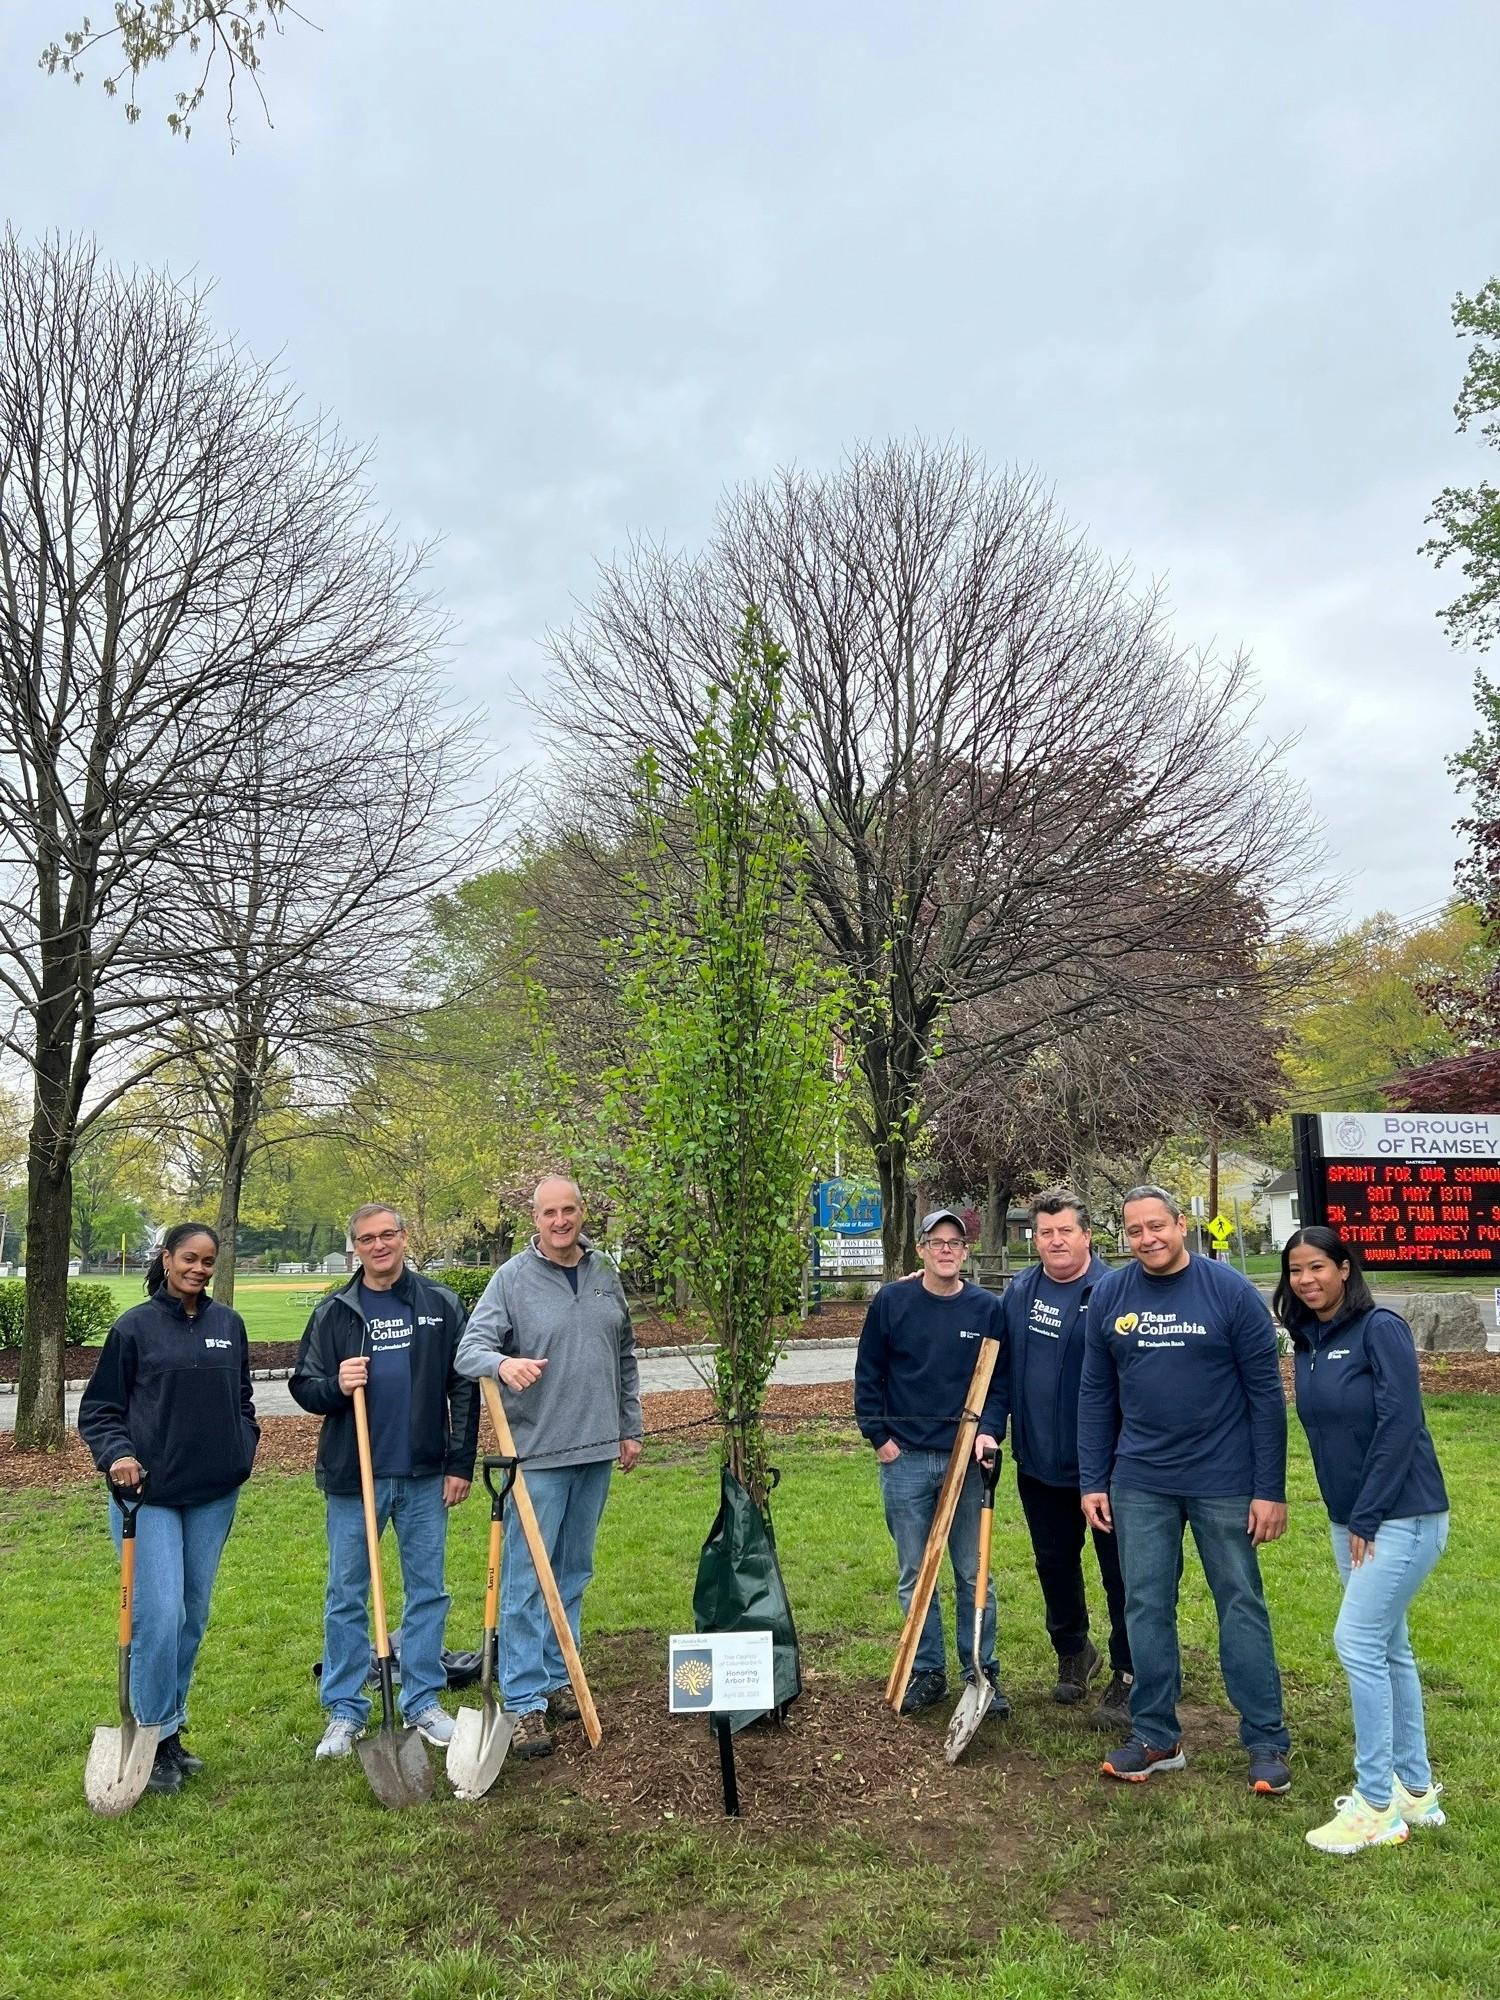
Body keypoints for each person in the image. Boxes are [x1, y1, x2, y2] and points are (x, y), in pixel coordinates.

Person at [1077, 1185, 1292, 1793]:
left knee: (1240, 1603)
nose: (1147, 1239)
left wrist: (1268, 1488)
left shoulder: (1230, 1293)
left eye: (1157, 1226)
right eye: (1135, 1230)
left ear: (1180, 1225)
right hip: (1140, 1480)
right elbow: (1096, 1394)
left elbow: (1266, 1398)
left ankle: (1265, 1739)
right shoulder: (1111, 1295)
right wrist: (1094, 1478)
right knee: (1144, 1604)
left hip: (1224, 1480)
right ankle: (1155, 1735)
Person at [1275, 1225, 1450, 1854]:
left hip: (1401, 1516)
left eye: (1318, 1267)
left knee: (1357, 1642)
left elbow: (1401, 1422)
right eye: (1296, 1270)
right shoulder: (1308, 1342)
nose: (1307, 1280)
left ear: (1345, 1268)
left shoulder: (1380, 1328)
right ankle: (1415, 1789)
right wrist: (1349, 1519)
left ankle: (1376, 1804)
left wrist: (1368, 1517)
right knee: (1390, 1647)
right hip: (1352, 1521)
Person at [455, 1175, 642, 1760]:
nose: (561, 1221)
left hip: (596, 1450)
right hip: (537, 1455)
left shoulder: (606, 1272)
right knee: (526, 1581)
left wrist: (629, 1425)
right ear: (533, 1219)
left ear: (583, 1212)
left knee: (573, 1572)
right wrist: (503, 1363)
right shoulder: (511, 1280)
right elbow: (468, 1352)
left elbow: (625, 1355)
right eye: (549, 1213)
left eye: (569, 1210)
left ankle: (563, 1676)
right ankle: (525, 1698)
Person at [290, 1203, 478, 1762]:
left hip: (423, 1475)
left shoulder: (440, 1305)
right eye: (367, 1239)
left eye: (388, 1235)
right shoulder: (334, 1311)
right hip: (355, 1477)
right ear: (356, 1248)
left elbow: (463, 1388)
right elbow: (304, 1384)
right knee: (346, 1594)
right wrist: (336, 1385)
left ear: (403, 1238)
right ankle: (346, 1710)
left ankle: (422, 1699)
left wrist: (459, 1464)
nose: (379, 1245)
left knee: (428, 1590)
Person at [78, 1223, 259, 1795]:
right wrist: (118, 1455)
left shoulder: (228, 1325)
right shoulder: (134, 1328)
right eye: (189, 1258)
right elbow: (100, 1409)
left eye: (208, 1261)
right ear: (168, 1258)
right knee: (156, 1617)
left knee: (191, 1616)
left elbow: (244, 1401)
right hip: (148, 1497)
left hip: (211, 1495)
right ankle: (148, 1737)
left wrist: (241, 1448)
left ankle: (169, 1732)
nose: (199, 1269)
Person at [855, 1208, 1008, 1716]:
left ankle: (979, 1671)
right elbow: (868, 1373)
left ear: (965, 1252)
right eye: (936, 1241)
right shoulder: (893, 1303)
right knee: (915, 1572)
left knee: (972, 1572)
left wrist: (988, 1433)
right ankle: (927, 1670)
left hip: (965, 1458)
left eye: (955, 1243)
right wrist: (879, 1437)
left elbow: (999, 1382)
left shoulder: (986, 1308)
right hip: (906, 1459)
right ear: (921, 1249)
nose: (946, 1250)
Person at [1003, 1190, 1132, 1727]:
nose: (1055, 1241)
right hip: (1039, 1466)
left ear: (1087, 1236)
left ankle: (1129, 1671)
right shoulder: (1018, 1292)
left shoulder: (1117, 1291)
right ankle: (1073, 1651)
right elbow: (997, 1368)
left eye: (1066, 1231)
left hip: (1108, 1470)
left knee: (1122, 1573)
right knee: (1054, 1565)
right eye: (1046, 1232)